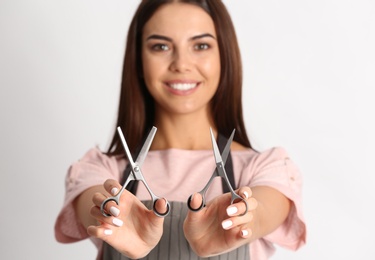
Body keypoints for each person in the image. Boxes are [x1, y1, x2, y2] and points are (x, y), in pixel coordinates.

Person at [54, 1, 306, 259]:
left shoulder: (266, 169)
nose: (181, 64)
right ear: (139, 61)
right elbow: (92, 207)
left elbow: (262, 211)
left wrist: (240, 220)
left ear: (224, 57)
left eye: (201, 45)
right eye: (161, 46)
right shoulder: (101, 170)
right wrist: (111, 215)